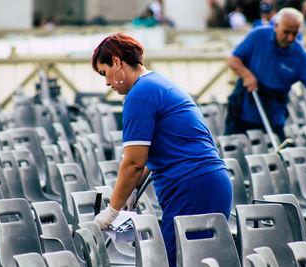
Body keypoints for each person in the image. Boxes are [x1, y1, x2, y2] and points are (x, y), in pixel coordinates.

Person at [91, 33, 232, 267]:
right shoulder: (157, 83)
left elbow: (134, 161)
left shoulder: (139, 94)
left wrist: (112, 211)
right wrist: (131, 190)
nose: (106, 82)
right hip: (207, 184)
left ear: (117, 62)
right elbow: (148, 159)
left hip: (192, 187)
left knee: (179, 261)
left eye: (105, 73)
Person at [225, 8, 306, 141]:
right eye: (286, 32)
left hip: (274, 117)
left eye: (294, 33)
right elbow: (233, 59)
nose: (290, 38)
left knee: (276, 154)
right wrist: (247, 75)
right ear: (276, 26)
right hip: (245, 111)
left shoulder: (301, 56)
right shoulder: (258, 36)